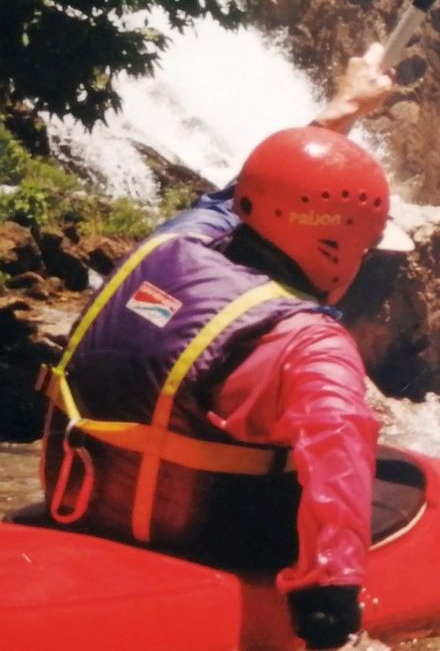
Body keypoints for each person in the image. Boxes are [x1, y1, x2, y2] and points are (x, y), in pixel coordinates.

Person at [38, 44, 396, 649]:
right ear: (337, 247)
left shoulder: (176, 241)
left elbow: (247, 192)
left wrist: (342, 110)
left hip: (81, 505)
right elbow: (337, 447)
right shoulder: (310, 342)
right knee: (390, 485)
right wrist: (330, 602)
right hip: (204, 542)